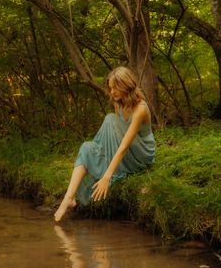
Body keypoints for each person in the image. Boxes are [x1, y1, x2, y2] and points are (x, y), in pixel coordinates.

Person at [54, 66, 156, 222]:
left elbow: (124, 145)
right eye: (110, 87)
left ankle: (106, 166)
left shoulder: (141, 108)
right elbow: (116, 137)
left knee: (110, 120)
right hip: (124, 147)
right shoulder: (118, 103)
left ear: (126, 86)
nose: (112, 91)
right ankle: (68, 197)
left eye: (116, 87)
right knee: (87, 148)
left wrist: (106, 177)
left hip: (141, 154)